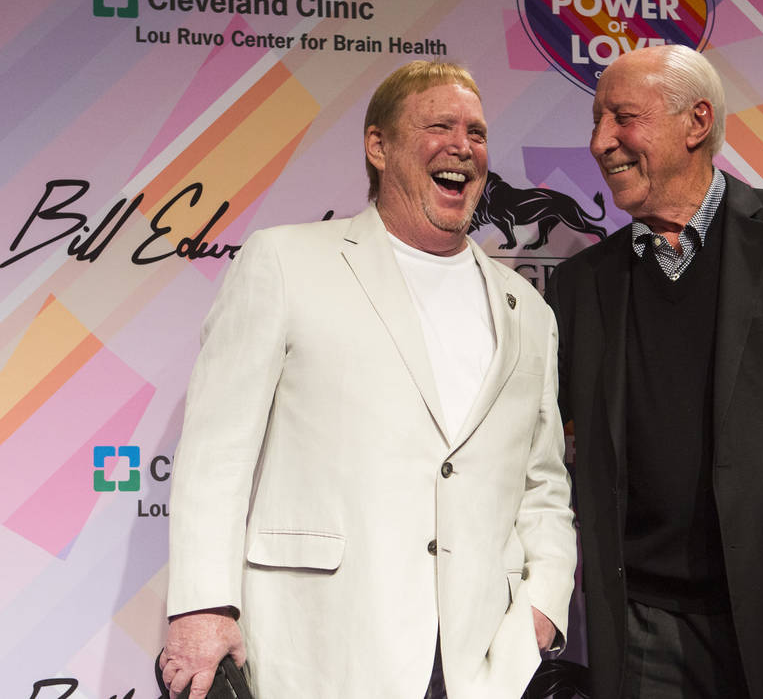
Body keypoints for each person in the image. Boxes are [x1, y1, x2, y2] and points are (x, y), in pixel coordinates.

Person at [159, 60, 576, 699]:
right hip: (323, 643)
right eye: (439, 125)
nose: (462, 146)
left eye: (477, 131)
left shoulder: (529, 311)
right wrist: (201, 606)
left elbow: (543, 483)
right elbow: (217, 453)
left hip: (483, 659)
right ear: (378, 146)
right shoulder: (284, 262)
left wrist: (544, 603)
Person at [545, 45, 763, 698]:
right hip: (643, 635)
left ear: (696, 122)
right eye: (595, 123)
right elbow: (535, 453)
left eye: (622, 117)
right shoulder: (580, 286)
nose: (600, 142)